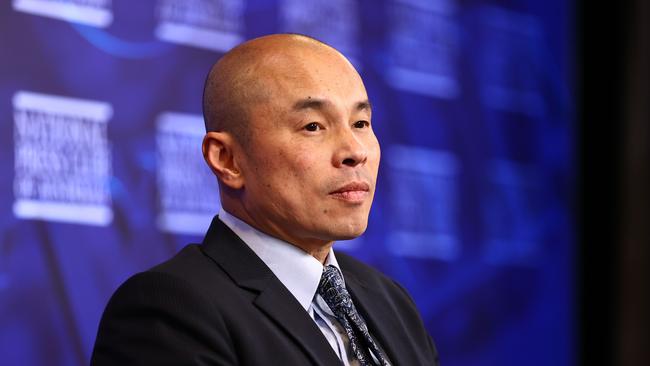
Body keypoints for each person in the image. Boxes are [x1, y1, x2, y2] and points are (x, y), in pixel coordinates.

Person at [91, 33, 439, 366]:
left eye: (360, 123)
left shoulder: (389, 300)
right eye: (314, 126)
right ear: (227, 159)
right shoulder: (169, 310)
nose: (355, 151)